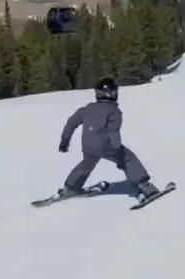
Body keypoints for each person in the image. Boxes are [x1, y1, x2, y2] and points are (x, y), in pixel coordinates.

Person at [57, 75, 160, 203]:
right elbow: (113, 130)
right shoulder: (114, 111)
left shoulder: (87, 108)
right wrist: (116, 148)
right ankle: (144, 186)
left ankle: (70, 187)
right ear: (110, 94)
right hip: (105, 144)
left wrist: (65, 141)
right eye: (115, 91)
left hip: (88, 145)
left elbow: (71, 122)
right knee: (127, 158)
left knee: (87, 164)